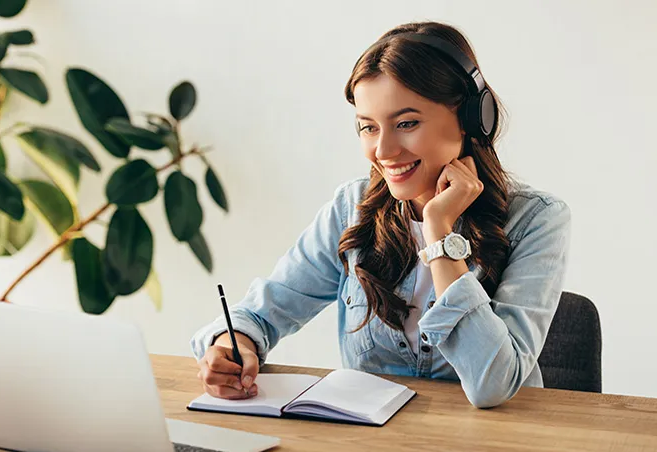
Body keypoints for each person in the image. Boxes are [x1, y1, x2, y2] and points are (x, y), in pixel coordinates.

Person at [190, 21, 571, 409]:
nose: (383, 150)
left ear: (472, 119)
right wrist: (232, 344)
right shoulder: (350, 208)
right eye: (368, 128)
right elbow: (263, 312)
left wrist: (439, 234)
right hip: (374, 450)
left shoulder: (537, 221)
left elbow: (493, 384)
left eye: (406, 123)